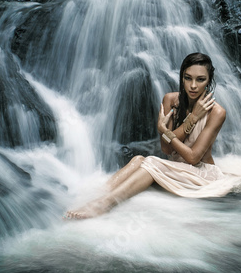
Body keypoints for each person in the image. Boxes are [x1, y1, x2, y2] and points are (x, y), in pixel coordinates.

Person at [64, 52, 226, 219]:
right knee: (138, 160)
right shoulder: (170, 100)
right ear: (181, 78)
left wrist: (166, 130)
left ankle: (103, 205)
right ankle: (94, 196)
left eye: (200, 79)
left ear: (209, 81)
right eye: (187, 78)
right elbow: (166, 149)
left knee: (151, 162)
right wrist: (190, 120)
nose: (193, 85)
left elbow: (193, 158)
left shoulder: (217, 112)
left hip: (201, 175)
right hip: (177, 168)